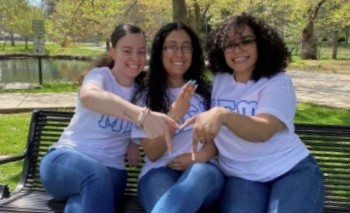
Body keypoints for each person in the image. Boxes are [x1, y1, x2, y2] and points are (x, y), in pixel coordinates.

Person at [183, 14, 325, 213]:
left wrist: (223, 114)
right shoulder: (219, 80)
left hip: (291, 171)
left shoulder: (277, 82)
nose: (238, 49)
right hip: (242, 177)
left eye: (246, 41)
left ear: (262, 44)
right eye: (229, 44)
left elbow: (263, 130)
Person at [39, 24, 178, 213]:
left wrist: (132, 141)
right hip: (65, 161)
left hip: (113, 172)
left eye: (141, 52)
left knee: (80, 204)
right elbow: (90, 96)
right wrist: (141, 115)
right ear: (112, 52)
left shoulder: (142, 93)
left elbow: (143, 134)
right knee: (94, 175)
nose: (135, 59)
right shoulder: (99, 77)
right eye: (127, 51)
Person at [131, 22, 224, 213]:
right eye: (171, 46)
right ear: (160, 52)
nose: (179, 54)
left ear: (194, 52)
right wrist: (175, 114)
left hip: (204, 172)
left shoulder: (208, 92)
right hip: (158, 172)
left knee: (199, 174)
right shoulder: (144, 96)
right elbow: (153, 153)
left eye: (186, 47)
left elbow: (217, 139)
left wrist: (198, 158)